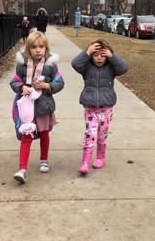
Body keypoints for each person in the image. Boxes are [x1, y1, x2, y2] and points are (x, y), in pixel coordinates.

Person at [10, 31, 64, 183]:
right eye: (34, 47)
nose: (38, 50)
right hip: (27, 109)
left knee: (44, 133)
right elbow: (13, 81)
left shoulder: (50, 66)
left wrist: (47, 85)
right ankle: (22, 169)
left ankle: (44, 159)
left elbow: (60, 83)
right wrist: (21, 87)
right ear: (28, 49)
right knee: (27, 137)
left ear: (46, 48)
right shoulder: (22, 66)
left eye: (41, 46)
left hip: (43, 107)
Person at [71, 39, 128, 174]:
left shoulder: (111, 67)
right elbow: (75, 63)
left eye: (102, 55)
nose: (99, 58)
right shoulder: (87, 67)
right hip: (90, 107)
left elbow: (124, 68)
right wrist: (87, 52)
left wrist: (112, 57)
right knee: (89, 134)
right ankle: (85, 162)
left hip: (106, 108)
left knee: (102, 135)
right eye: (95, 55)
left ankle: (100, 158)